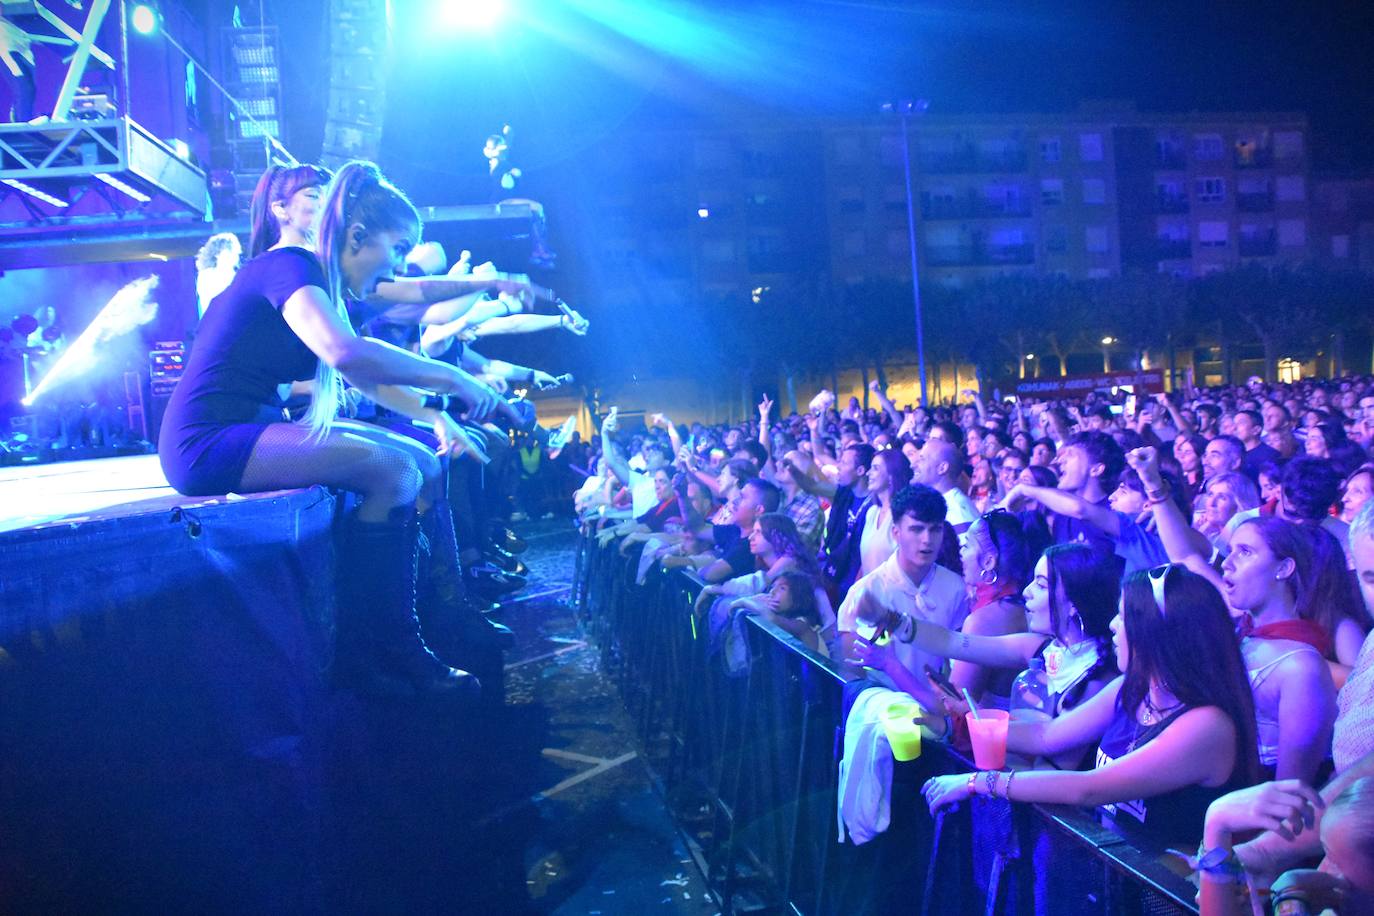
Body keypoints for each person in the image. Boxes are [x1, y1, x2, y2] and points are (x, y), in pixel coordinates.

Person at [159, 161, 510, 696]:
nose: (397, 264)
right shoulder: (290, 266)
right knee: (395, 470)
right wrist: (454, 377)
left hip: (247, 426)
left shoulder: (314, 276)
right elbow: (345, 354)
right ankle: (381, 653)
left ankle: (434, 623)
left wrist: (433, 413)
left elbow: (365, 372)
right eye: (397, 248)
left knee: (421, 461)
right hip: (206, 439)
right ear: (359, 235)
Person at [923, 565, 1260, 849]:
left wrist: (978, 783)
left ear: (1156, 633)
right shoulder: (1131, 690)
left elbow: (1089, 787)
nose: (1113, 625)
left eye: (1123, 616)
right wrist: (969, 721)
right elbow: (1047, 735)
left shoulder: (1207, 726)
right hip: (1109, 882)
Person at [840, 484, 970, 713]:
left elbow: (957, 660)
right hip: (886, 714)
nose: (927, 540)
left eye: (935, 529)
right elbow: (853, 673)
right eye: (917, 529)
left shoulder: (955, 587)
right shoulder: (867, 591)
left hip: (939, 713)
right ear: (896, 532)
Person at [857, 448, 914, 577]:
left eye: (875, 468)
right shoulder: (872, 513)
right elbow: (866, 562)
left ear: (891, 475)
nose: (868, 473)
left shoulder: (904, 515)